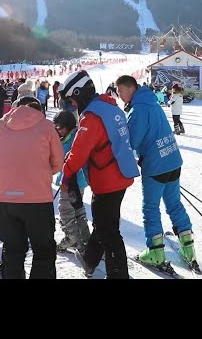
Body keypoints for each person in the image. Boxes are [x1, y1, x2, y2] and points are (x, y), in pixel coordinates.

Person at [0, 95, 64, 279]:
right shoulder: (46, 126)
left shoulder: (0, 125)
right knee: (43, 251)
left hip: (4, 199)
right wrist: (42, 172)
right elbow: (58, 162)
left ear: (15, 108)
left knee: (13, 251)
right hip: (37, 198)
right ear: (39, 110)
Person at [59, 70, 139, 279]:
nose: (73, 106)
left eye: (72, 101)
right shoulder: (111, 107)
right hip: (120, 174)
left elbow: (78, 153)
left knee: (109, 231)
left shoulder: (92, 117)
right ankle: (90, 259)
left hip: (107, 179)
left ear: (80, 94)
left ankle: (118, 274)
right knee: (106, 223)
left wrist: (66, 175)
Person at [115, 75, 195, 268]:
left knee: (150, 208)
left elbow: (132, 142)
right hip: (173, 159)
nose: (120, 96)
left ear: (130, 88)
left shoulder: (138, 110)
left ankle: (155, 251)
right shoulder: (151, 101)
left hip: (156, 165)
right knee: (174, 205)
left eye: (121, 92)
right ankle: (188, 247)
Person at [53, 111, 91, 251]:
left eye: (58, 127)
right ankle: (85, 236)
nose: (57, 130)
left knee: (65, 210)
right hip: (77, 181)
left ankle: (72, 238)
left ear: (66, 126)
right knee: (77, 208)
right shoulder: (72, 136)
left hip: (71, 182)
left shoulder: (72, 139)